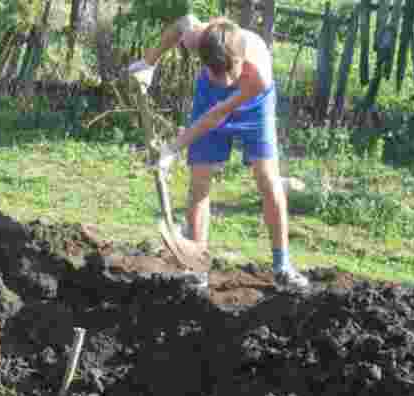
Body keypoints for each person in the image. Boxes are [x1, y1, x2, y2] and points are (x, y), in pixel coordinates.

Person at [132, 14, 310, 290]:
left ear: (238, 62)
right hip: (210, 98)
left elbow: (216, 116)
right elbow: (183, 23)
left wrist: (173, 148)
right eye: (214, 73)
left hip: (255, 102)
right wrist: (149, 62)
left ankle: (282, 266)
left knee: (268, 180)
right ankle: (197, 265)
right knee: (200, 179)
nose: (223, 81)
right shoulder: (200, 39)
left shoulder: (257, 75)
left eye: (227, 74)